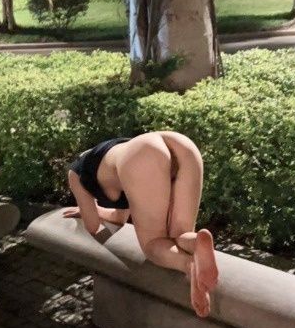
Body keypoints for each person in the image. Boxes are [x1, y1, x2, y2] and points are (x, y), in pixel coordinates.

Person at [66, 133, 219, 318]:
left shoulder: (76, 172)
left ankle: (190, 265)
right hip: (182, 144)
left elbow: (92, 226)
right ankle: (195, 242)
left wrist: (86, 209)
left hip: (144, 155)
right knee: (179, 234)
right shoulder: (111, 154)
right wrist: (98, 210)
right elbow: (119, 217)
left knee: (153, 243)